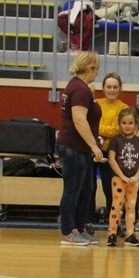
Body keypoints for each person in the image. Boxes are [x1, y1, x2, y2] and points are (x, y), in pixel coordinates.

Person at [57, 51, 103, 246]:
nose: (97, 74)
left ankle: (78, 227)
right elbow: (78, 119)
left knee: (85, 189)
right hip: (73, 147)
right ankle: (68, 231)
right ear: (90, 68)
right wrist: (94, 145)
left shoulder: (77, 86)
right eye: (97, 69)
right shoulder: (80, 89)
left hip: (78, 148)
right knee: (73, 189)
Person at [106, 107, 139, 247]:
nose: (127, 126)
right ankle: (112, 233)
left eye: (130, 123)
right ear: (119, 123)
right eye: (124, 123)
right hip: (119, 179)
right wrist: (122, 175)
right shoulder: (115, 140)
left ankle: (130, 234)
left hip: (133, 180)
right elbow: (111, 159)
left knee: (131, 207)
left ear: (135, 124)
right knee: (116, 206)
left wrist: (136, 176)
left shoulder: (138, 141)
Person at [96, 72, 129, 222]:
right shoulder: (96, 104)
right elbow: (90, 125)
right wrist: (103, 129)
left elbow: (117, 129)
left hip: (113, 153)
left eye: (115, 87)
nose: (112, 90)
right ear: (103, 88)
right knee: (89, 188)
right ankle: (87, 222)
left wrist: (98, 128)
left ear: (120, 88)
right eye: (109, 86)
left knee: (111, 189)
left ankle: (115, 223)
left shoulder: (124, 108)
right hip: (93, 149)